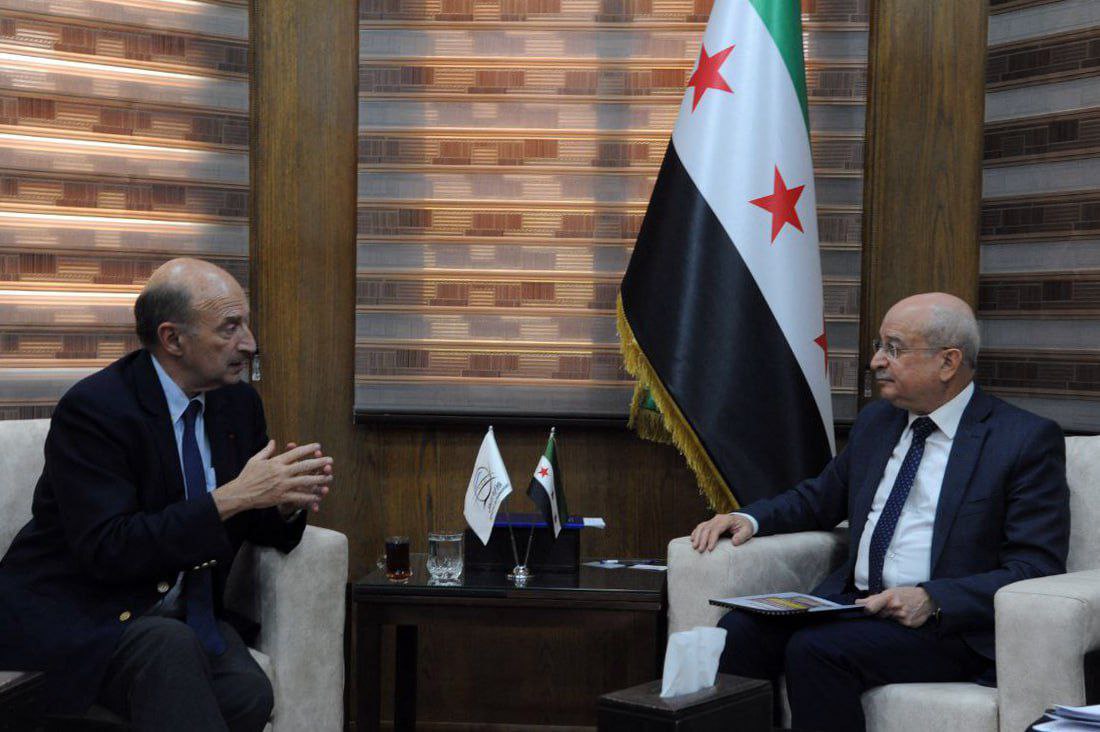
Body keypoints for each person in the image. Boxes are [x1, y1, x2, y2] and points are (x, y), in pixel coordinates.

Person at [690, 292, 1069, 732]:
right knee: (738, 633)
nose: (875, 362)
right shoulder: (877, 422)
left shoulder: (1021, 440)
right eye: (879, 346)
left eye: (894, 348)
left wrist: (932, 598)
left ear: (948, 362)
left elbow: (1034, 567)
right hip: (854, 605)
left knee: (815, 650)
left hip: (944, 626)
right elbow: (818, 499)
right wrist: (751, 518)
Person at [0, 258, 333, 732]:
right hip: (82, 611)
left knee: (247, 692)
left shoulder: (237, 403)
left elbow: (253, 523)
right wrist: (232, 497)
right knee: (168, 649)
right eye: (230, 328)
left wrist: (281, 503)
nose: (250, 343)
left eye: (247, 324)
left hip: (182, 614)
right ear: (173, 339)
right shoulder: (96, 410)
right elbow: (109, 549)